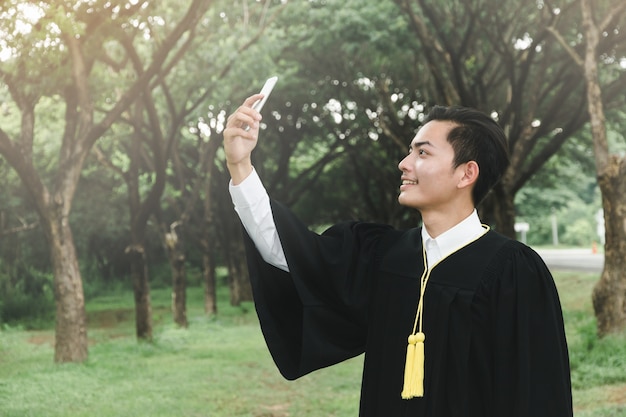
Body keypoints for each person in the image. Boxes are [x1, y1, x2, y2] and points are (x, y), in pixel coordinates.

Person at [223, 93, 573, 417]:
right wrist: (241, 167)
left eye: (422, 153)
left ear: (467, 172)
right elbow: (294, 255)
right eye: (410, 151)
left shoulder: (514, 272)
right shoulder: (383, 256)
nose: (404, 163)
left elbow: (536, 394)